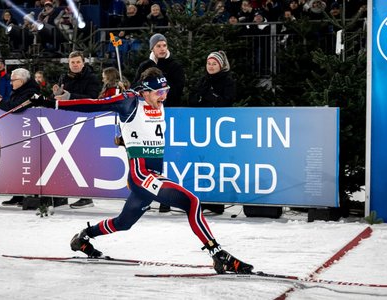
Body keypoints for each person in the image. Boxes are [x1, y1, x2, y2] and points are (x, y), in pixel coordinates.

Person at [30, 67, 254, 274]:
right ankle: (217, 253)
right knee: (192, 202)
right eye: (159, 92)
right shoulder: (129, 101)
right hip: (142, 176)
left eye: (166, 91)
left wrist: (124, 139)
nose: (164, 96)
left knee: (124, 223)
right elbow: (92, 104)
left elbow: (140, 130)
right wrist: (51, 103)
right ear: (146, 91)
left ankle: (83, 237)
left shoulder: (156, 102)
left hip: (153, 176)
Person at [134, 33, 185, 213]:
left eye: (164, 45)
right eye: (158, 46)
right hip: (146, 117)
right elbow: (136, 88)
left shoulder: (175, 66)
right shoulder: (145, 66)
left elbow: (178, 90)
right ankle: (147, 197)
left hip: (167, 114)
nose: (162, 48)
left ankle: (166, 199)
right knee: (149, 159)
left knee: (166, 156)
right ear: (152, 48)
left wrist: (159, 98)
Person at [188, 51, 235, 215]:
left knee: (217, 164)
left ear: (221, 65)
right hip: (202, 128)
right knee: (202, 163)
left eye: (214, 63)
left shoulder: (227, 81)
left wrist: (207, 95)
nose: (211, 66)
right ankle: (203, 199)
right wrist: (201, 97)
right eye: (209, 63)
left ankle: (217, 202)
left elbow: (225, 102)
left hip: (219, 128)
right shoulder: (203, 80)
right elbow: (192, 100)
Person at [54, 50, 101, 208]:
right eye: (72, 62)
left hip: (85, 119)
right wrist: (58, 94)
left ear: (83, 62)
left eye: (78, 62)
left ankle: (86, 197)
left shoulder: (92, 78)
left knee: (83, 158)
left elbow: (93, 98)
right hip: (65, 119)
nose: (75, 65)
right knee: (64, 159)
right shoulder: (63, 77)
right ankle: (62, 195)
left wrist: (70, 96)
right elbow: (62, 97)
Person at [0, 68, 39, 206]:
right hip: (18, 132)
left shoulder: (31, 91)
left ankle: (30, 195)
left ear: (22, 80)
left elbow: (17, 107)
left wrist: (1, 104)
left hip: (30, 133)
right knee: (17, 165)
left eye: (13, 80)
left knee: (30, 166)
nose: (11, 83)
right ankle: (18, 194)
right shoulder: (19, 91)